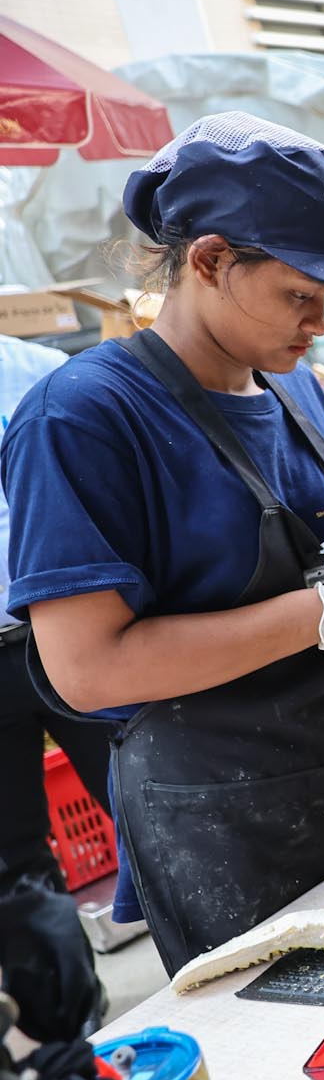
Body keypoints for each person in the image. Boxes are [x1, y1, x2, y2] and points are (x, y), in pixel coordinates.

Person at [1, 114, 324, 974]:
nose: (321, 324)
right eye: (301, 295)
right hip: (224, 836)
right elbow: (87, 668)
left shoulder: (293, 389)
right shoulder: (85, 417)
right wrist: (321, 612)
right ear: (210, 261)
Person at [0, 335, 113, 910]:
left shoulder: (44, 374)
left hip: (73, 628)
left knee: (143, 798)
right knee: (14, 864)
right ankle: (61, 998)